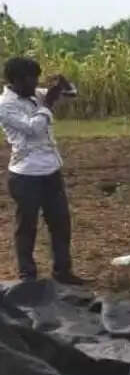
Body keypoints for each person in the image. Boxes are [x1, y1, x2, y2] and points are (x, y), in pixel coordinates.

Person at [1, 57, 87, 284]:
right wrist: (47, 104)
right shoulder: (5, 105)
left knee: (60, 222)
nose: (35, 82)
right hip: (26, 175)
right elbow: (33, 129)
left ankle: (63, 273)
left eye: (36, 78)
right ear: (15, 80)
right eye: (30, 79)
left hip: (50, 170)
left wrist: (63, 85)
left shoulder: (34, 94)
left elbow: (71, 95)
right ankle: (27, 277)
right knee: (27, 227)